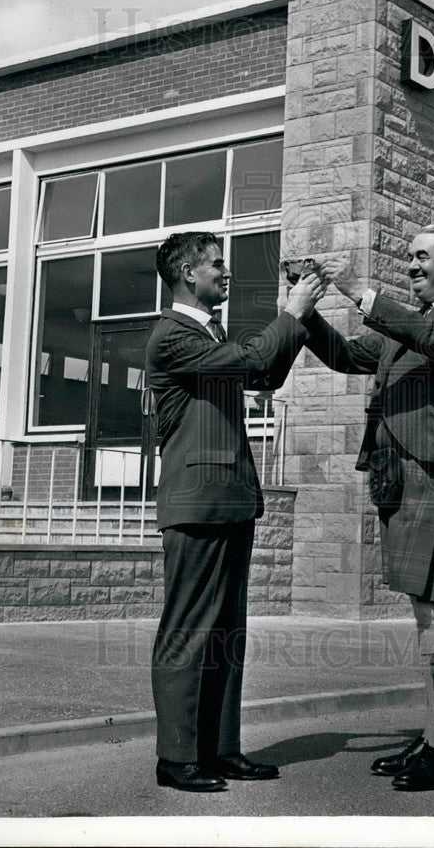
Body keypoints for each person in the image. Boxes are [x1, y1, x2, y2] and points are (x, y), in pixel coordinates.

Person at [306, 223, 434, 792]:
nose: (412, 264)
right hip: (403, 477)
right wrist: (305, 310)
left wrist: (359, 293)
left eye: (422, 257)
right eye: (410, 257)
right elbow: (348, 355)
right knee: (425, 608)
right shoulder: (405, 327)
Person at [147, 231, 324, 793]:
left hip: (227, 501)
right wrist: (290, 313)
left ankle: (219, 750)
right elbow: (252, 361)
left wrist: (299, 317)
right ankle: (176, 758)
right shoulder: (174, 335)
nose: (225, 273)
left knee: (226, 634)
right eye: (216, 266)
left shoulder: (207, 334)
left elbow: (264, 374)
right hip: (197, 504)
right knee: (189, 632)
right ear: (185, 273)